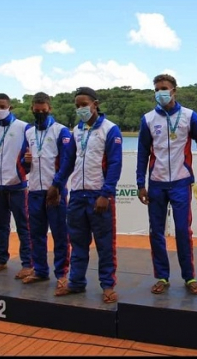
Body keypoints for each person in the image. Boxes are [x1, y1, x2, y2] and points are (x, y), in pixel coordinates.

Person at [47, 87, 123, 304]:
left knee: (105, 244)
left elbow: (115, 165)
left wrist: (106, 194)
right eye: (77, 105)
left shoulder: (110, 130)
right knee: (78, 242)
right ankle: (76, 282)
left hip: (98, 195)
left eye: (84, 104)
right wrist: (56, 184)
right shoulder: (76, 131)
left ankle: (108, 285)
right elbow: (69, 161)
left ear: (95, 104)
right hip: (77, 195)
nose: (81, 109)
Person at [136, 74, 197, 295]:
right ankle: (162, 277)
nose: (160, 93)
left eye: (164, 88)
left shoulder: (189, 116)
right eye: (157, 89)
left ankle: (189, 277)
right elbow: (142, 154)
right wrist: (140, 183)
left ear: (174, 90)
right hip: (156, 183)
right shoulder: (148, 119)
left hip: (180, 182)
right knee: (156, 232)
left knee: (182, 231)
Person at [20, 92, 72, 291]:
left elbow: (67, 163)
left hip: (55, 192)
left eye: (44, 110)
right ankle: (40, 270)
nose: (40, 112)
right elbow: (24, 164)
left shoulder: (61, 131)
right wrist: (25, 164)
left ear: (49, 108)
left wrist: (57, 186)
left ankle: (62, 274)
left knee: (60, 234)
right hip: (34, 190)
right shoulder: (29, 133)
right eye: (37, 109)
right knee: (36, 234)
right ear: (32, 108)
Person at [0, 93, 34, 279]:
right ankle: (1, 259)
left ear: (10, 107)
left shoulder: (23, 128)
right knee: (1, 226)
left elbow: (30, 155)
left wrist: (24, 168)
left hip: (17, 186)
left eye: (2, 106)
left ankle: (28, 263)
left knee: (23, 226)